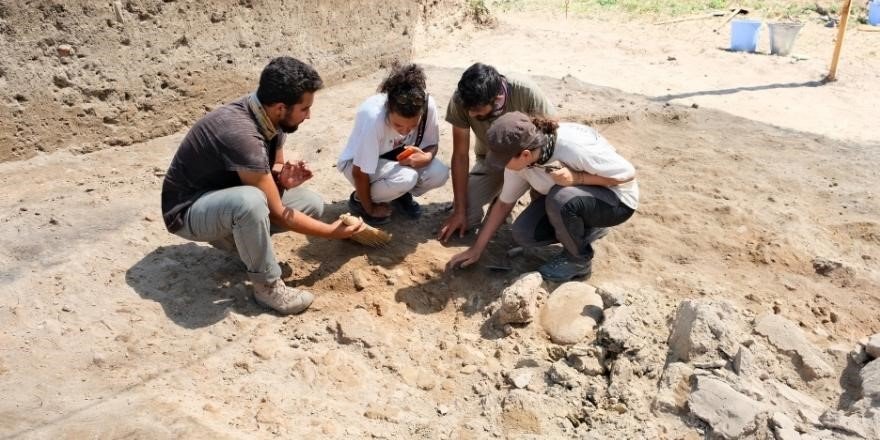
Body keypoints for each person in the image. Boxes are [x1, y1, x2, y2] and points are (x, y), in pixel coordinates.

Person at [161, 56, 363, 315]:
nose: (309, 115)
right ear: (281, 108)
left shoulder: (270, 116)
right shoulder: (241, 133)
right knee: (250, 202)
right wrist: (331, 232)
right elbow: (277, 212)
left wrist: (282, 177)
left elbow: (276, 164)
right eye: (304, 109)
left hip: (223, 196)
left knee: (311, 203)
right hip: (188, 211)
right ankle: (267, 287)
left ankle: (241, 243)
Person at [445, 112, 638, 282]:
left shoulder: (572, 148)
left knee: (560, 198)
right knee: (524, 233)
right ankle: (587, 229)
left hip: (616, 200)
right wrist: (477, 248)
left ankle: (578, 261)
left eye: (504, 160)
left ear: (525, 155)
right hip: (576, 199)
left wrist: (578, 178)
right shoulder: (522, 162)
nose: (502, 165)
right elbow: (503, 204)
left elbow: (627, 174)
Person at [437, 63, 554, 241]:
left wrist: (538, 187)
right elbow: (460, 155)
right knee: (467, 216)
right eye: (468, 109)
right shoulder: (462, 100)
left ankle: (513, 199)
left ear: (497, 99)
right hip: (492, 161)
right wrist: (459, 210)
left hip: (529, 162)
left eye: (476, 110)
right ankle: (500, 194)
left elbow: (552, 136)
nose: (471, 114)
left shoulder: (526, 92)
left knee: (537, 226)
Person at [338, 63, 448, 225]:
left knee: (440, 173)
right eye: (398, 125)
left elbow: (432, 143)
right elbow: (359, 172)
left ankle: (398, 194)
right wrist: (370, 209)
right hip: (357, 164)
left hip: (396, 157)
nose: (405, 131)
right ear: (388, 108)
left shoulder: (427, 105)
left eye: (413, 126)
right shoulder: (374, 118)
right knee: (407, 178)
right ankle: (359, 200)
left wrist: (426, 156)